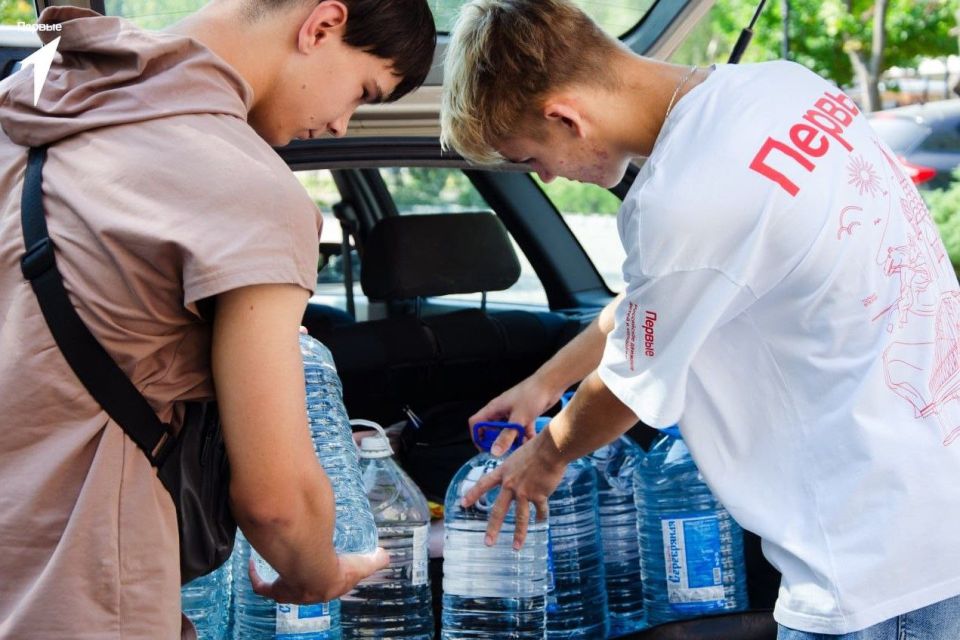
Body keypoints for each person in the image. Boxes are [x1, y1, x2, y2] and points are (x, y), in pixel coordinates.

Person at [440, 1, 960, 638]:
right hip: (933, 509)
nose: (546, 175)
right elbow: (662, 300)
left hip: (873, 569)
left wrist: (542, 462)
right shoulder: (786, 87)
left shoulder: (684, 199)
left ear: (564, 117)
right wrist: (545, 384)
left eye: (529, 158)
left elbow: (626, 390)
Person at [0, 0, 435, 637]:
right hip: (80, 598)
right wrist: (317, 573)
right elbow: (276, 504)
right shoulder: (250, 190)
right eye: (363, 92)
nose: (343, 124)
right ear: (322, 25)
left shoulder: (29, 111)